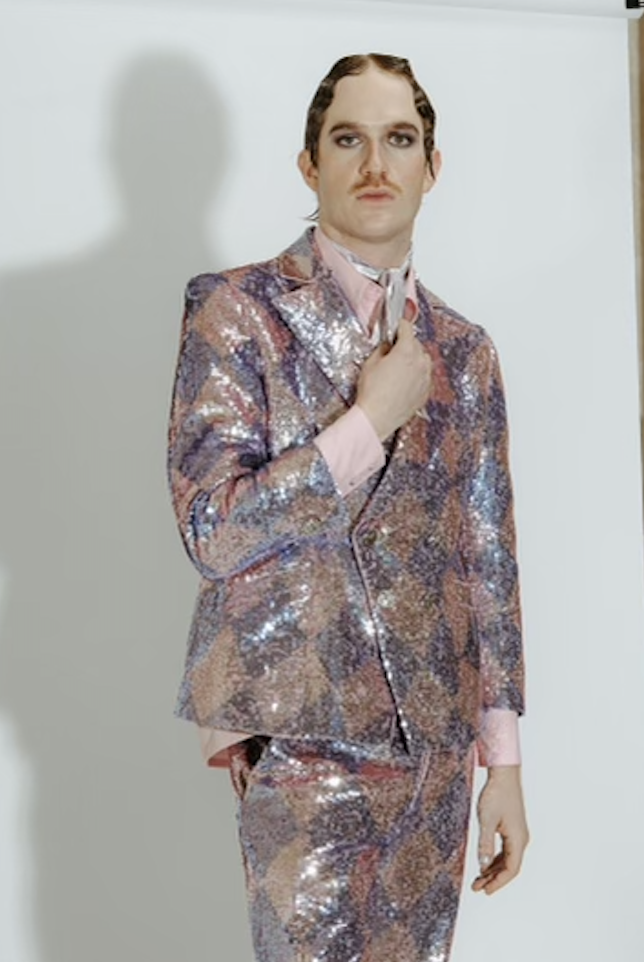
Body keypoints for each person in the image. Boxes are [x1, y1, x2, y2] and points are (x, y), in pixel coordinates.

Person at [167, 54, 528, 962]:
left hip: (438, 749)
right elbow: (213, 529)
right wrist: (369, 420)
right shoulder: (235, 312)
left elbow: (487, 560)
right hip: (301, 734)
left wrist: (504, 765)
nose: (376, 164)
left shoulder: (467, 351)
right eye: (349, 140)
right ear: (309, 165)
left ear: (431, 167)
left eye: (399, 140)